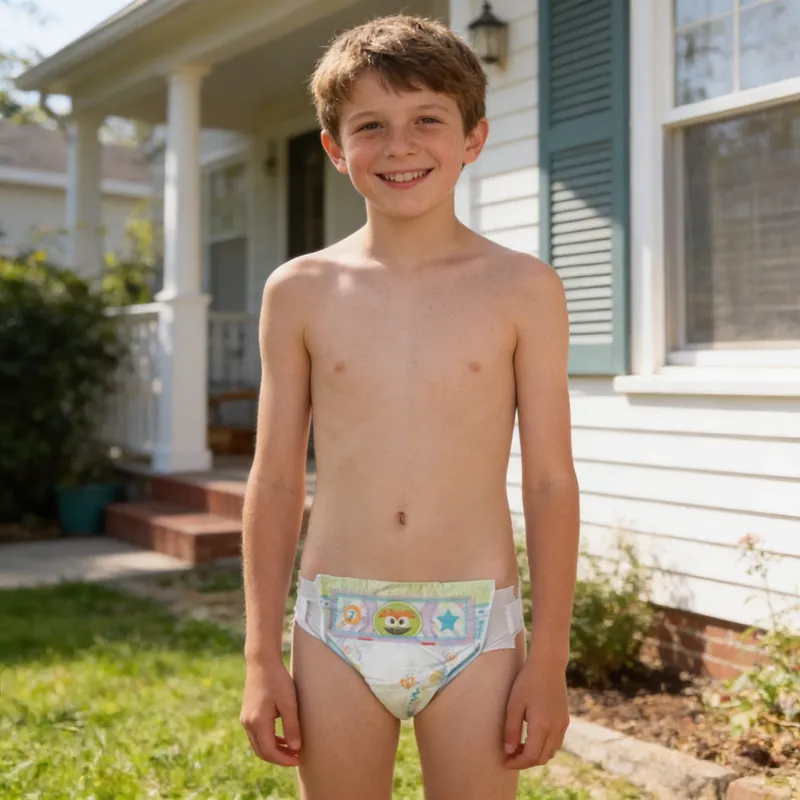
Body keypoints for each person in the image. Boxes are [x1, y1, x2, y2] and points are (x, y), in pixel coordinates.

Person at [239, 14, 580, 800]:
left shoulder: (524, 289)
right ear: (334, 148)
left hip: (477, 625)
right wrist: (261, 653)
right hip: (335, 623)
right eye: (371, 126)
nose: (400, 146)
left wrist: (549, 659)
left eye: (428, 119)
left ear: (473, 139)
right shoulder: (299, 291)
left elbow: (551, 483)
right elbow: (276, 481)